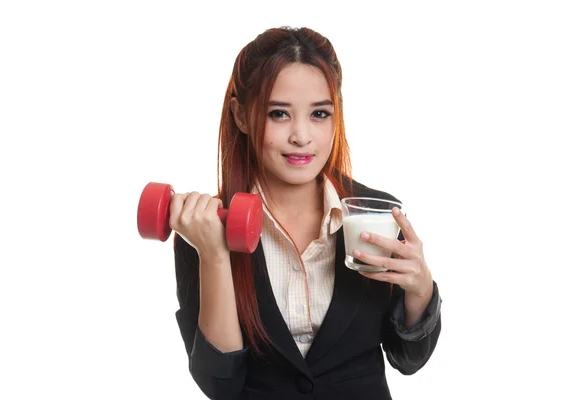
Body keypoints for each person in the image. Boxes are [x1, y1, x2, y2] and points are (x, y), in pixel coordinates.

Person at [169, 26, 442, 400]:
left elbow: (408, 359)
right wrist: (215, 256)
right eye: (279, 114)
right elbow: (221, 385)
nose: (301, 135)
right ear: (241, 116)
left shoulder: (376, 214)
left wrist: (420, 290)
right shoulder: (201, 228)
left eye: (319, 114)